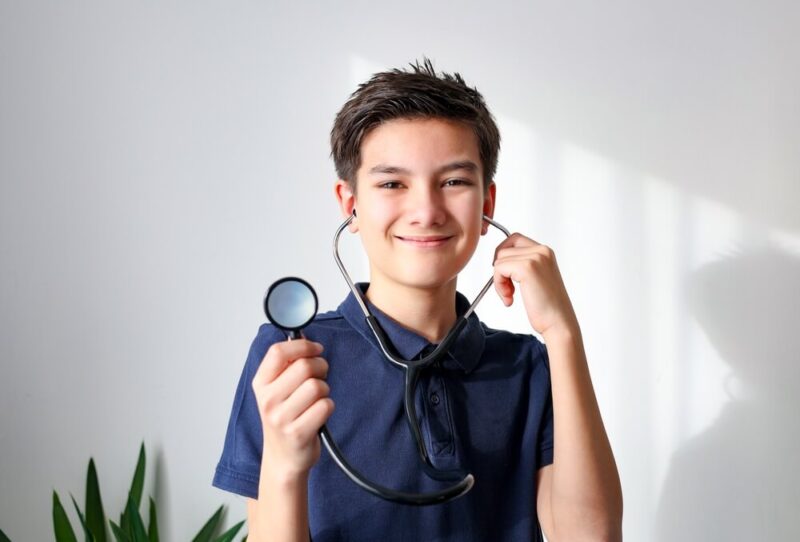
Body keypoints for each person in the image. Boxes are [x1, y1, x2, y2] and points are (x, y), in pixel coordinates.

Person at [212, 57, 623, 541]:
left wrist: (562, 334)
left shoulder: (531, 366)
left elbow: (592, 538)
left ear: (487, 204)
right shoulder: (293, 356)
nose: (426, 211)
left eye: (453, 182)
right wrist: (284, 465)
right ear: (351, 205)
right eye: (392, 184)